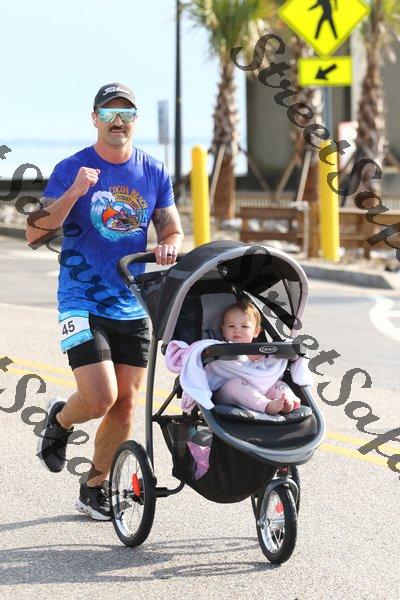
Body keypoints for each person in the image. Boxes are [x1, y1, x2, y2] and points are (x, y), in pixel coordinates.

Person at [26, 82, 184, 520]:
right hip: (81, 299)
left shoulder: (153, 171)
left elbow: (172, 228)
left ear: (135, 121)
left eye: (126, 113)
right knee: (99, 398)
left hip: (133, 301)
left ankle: (94, 488)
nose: (118, 121)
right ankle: (60, 420)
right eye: (109, 113)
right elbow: (35, 233)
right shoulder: (71, 168)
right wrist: (74, 192)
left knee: (126, 403)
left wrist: (169, 245)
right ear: (94, 118)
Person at [215, 301, 300, 415]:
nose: (237, 330)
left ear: (256, 331)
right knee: (234, 384)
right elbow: (209, 373)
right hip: (229, 398)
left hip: (262, 393)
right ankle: (266, 405)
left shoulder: (264, 353)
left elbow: (270, 372)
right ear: (223, 330)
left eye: (244, 326)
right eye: (231, 326)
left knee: (279, 385)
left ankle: (286, 402)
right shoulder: (221, 350)